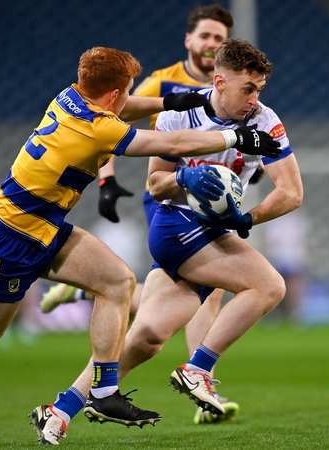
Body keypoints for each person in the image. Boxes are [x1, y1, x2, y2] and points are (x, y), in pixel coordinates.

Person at [0, 46, 281, 446]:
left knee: (118, 281)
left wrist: (184, 98)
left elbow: (130, 105)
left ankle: (103, 392)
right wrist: (235, 137)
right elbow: (170, 146)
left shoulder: (70, 96)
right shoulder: (100, 127)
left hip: (46, 227)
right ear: (114, 94)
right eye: (127, 89)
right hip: (6, 238)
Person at [63, 38, 302, 423]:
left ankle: (63, 407)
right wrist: (185, 176)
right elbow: (156, 183)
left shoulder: (264, 121)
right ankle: (198, 369)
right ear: (220, 82)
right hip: (177, 223)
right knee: (268, 286)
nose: (254, 98)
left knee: (147, 338)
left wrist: (248, 219)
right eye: (248, 88)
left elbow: (291, 193)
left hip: (216, 231)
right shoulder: (183, 112)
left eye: (259, 89)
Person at [40, 3, 243, 425]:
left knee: (164, 310)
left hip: (206, 200)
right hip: (170, 195)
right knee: (204, 287)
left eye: (219, 38)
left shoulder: (237, 89)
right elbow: (110, 117)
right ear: (189, 40)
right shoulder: (163, 81)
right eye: (204, 35)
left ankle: (85, 297)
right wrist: (107, 180)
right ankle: (197, 376)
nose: (210, 44)